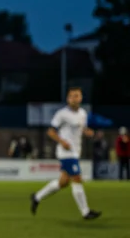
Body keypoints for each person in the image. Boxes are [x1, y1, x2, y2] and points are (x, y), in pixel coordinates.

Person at [30, 87, 101, 219]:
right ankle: (85, 212)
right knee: (77, 179)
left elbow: (82, 128)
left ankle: (37, 197)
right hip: (66, 153)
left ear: (81, 98)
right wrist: (62, 141)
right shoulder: (62, 114)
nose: (75, 98)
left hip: (76, 152)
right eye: (72, 96)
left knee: (63, 182)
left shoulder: (83, 113)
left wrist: (88, 132)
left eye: (77, 96)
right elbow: (51, 131)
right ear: (68, 99)